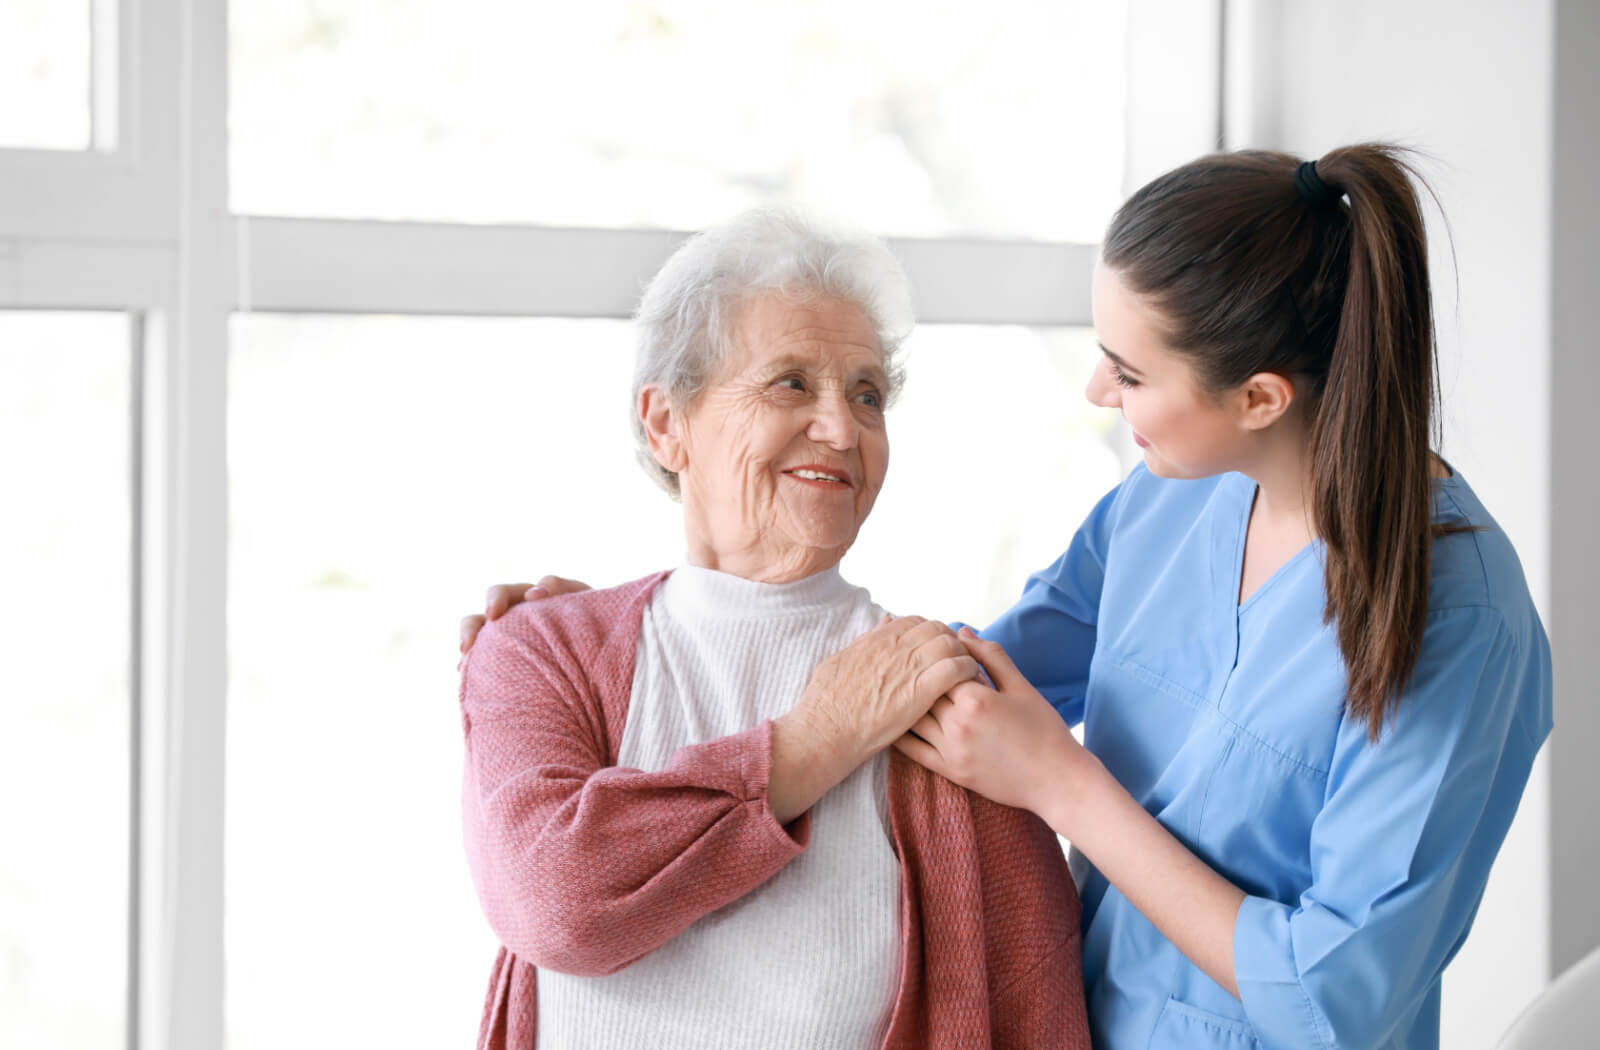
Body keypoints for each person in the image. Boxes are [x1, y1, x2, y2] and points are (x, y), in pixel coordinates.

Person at [463, 145, 1553, 1050]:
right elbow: (966, 675)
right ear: (666, 422)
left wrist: (1064, 787)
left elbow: (1336, 995)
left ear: (1259, 397)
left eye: (1128, 374)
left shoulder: (1459, 618)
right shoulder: (1167, 508)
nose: (1096, 391)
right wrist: (604, 629)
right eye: (789, 382)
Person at [458, 209, 1090, 1050]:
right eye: (790, 383)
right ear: (665, 424)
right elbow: (558, 904)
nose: (841, 428)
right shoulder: (540, 648)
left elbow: (1033, 1011)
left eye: (867, 394)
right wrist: (811, 742)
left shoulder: (943, 698)